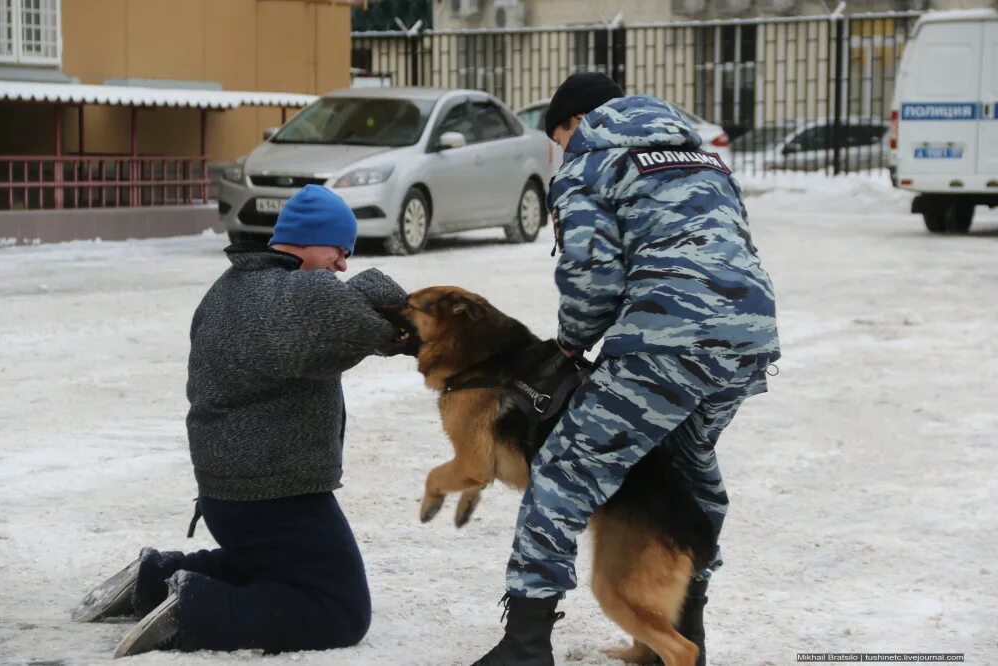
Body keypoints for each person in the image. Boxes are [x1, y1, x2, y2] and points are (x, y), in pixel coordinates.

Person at [472, 73, 781, 666]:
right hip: (749, 337)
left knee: (564, 473)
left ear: (574, 122)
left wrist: (570, 344)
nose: (562, 150)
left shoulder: (591, 159)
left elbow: (592, 279)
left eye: (559, 137)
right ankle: (686, 634)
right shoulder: (697, 153)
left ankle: (526, 645)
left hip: (666, 338)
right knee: (687, 473)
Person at [72, 184, 411, 657]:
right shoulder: (299, 297)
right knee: (339, 607)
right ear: (310, 239)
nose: (342, 263)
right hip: (276, 496)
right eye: (339, 249)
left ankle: (155, 579)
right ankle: (197, 609)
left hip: (226, 495)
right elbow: (389, 324)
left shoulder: (231, 289)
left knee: (278, 570)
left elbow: (335, 308)